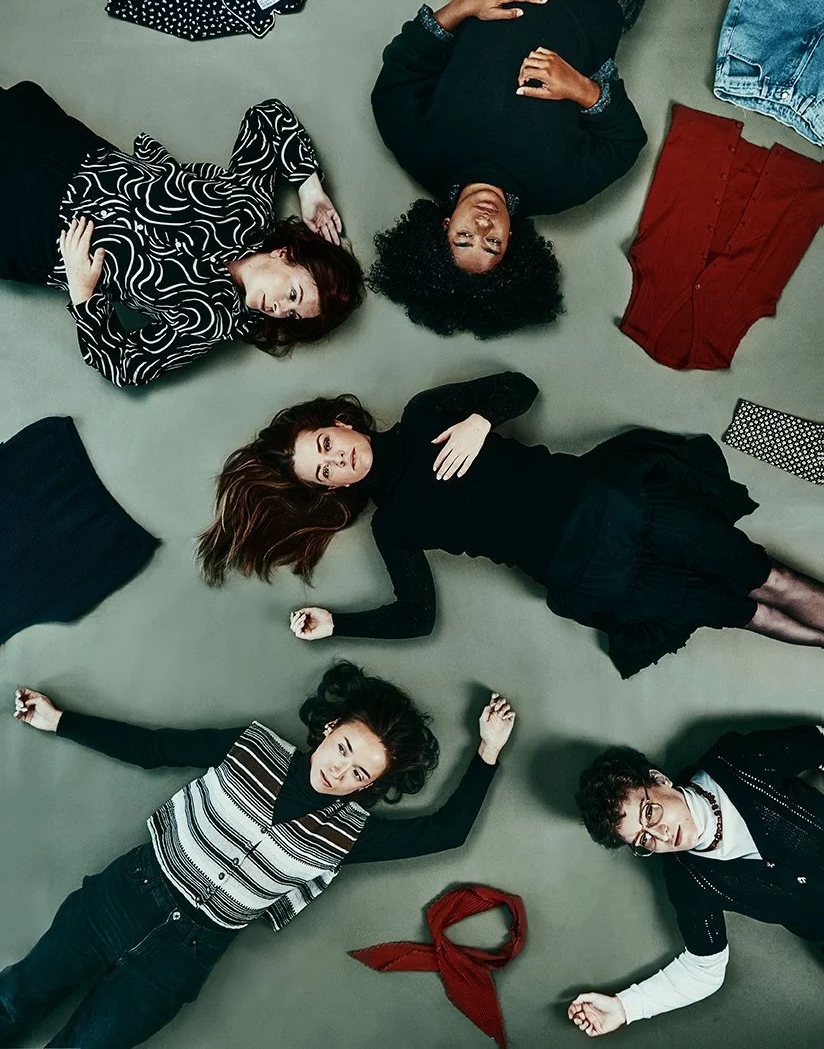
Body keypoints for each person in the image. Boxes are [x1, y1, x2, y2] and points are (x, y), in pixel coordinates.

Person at [1, 665, 516, 1047]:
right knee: (14, 997)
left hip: (183, 958)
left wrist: (487, 751)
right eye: (344, 750)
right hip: (124, 897)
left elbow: (446, 832)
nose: (341, 773)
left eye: (361, 774)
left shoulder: (353, 833)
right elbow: (154, 749)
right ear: (331, 727)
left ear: (374, 786)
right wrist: (59, 720)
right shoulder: (251, 746)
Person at [199, 371, 824, 677]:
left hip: (612, 503)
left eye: (326, 446)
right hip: (585, 574)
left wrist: (478, 421)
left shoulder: (424, 416)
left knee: (763, 577)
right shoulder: (394, 527)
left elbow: (519, 386)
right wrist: (338, 624)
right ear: (328, 492)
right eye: (324, 473)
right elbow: (418, 617)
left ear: (338, 422)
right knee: (739, 612)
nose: (338, 461)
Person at [368, 0, 650, 337]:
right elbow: (625, 143)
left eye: (463, 240)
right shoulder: (558, 188)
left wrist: (466, 4)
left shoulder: (418, 146)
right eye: (493, 244)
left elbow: (401, 71)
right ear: (513, 246)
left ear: (440, 229)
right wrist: (583, 90)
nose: (482, 226)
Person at [0, 81, 363, 386]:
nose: (281, 310)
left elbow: (128, 367)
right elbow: (267, 117)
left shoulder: (213, 319)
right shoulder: (250, 209)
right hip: (65, 152)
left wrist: (83, 296)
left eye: (294, 315)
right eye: (294, 295)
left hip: (33, 231)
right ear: (286, 255)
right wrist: (308, 188)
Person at [568, 724, 824, 1035]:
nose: (660, 835)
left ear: (659, 780)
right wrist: (625, 1008)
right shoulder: (687, 880)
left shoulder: (738, 761)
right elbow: (704, 969)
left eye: (649, 813)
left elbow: (818, 741)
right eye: (643, 840)